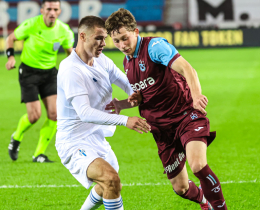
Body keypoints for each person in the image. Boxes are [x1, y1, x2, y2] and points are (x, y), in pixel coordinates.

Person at [105, 8, 228, 210]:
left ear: (135, 32)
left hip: (186, 116)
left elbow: (187, 69)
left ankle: (220, 207)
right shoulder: (127, 61)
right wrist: (123, 104)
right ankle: (205, 202)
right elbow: (145, 95)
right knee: (180, 188)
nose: (121, 45)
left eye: (124, 38)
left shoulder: (155, 46)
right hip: (162, 130)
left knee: (197, 165)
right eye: (116, 41)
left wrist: (196, 96)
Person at [56, 15, 150, 210]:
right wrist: (125, 120)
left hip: (97, 137)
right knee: (111, 180)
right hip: (73, 142)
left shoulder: (101, 60)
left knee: (109, 185)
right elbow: (84, 113)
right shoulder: (71, 69)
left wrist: (134, 93)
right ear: (82, 36)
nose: (104, 43)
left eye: (105, 38)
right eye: (98, 38)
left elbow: (123, 80)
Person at [6, 0, 74, 162]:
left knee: (54, 114)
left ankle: (39, 154)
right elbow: (10, 38)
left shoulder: (64, 31)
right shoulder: (31, 24)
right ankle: (16, 137)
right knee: (34, 116)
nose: (52, 12)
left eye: (55, 9)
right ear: (42, 10)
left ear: (59, 11)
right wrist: (10, 57)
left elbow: (69, 53)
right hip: (29, 72)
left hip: (50, 73)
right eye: (49, 9)